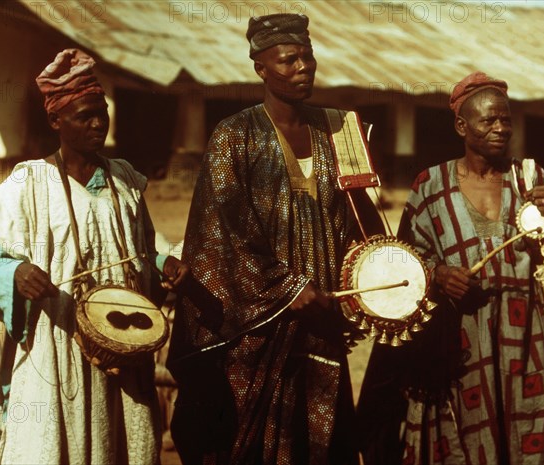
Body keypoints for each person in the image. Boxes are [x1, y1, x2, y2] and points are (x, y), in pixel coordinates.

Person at [167, 13, 382, 465]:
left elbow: (364, 224)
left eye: (307, 56)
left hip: (324, 323)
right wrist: (289, 290)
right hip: (254, 335)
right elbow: (224, 235)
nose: (302, 67)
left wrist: (365, 287)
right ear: (260, 68)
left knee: (322, 441)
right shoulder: (234, 136)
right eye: (287, 60)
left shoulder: (340, 130)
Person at [0, 49, 189, 465]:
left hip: (124, 347)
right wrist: (16, 273)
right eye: (84, 116)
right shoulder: (29, 183)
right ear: (56, 121)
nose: (97, 124)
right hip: (57, 346)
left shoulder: (124, 179)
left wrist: (165, 265)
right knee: (54, 445)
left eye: (102, 113)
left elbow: (144, 249)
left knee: (123, 445)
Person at [357, 71, 544, 465]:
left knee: (526, 437)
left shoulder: (531, 179)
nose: (501, 128)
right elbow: (404, 267)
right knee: (458, 443)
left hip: (524, 343)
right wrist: (437, 276)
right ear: (461, 125)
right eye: (489, 120)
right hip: (456, 346)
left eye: (505, 119)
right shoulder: (430, 186)